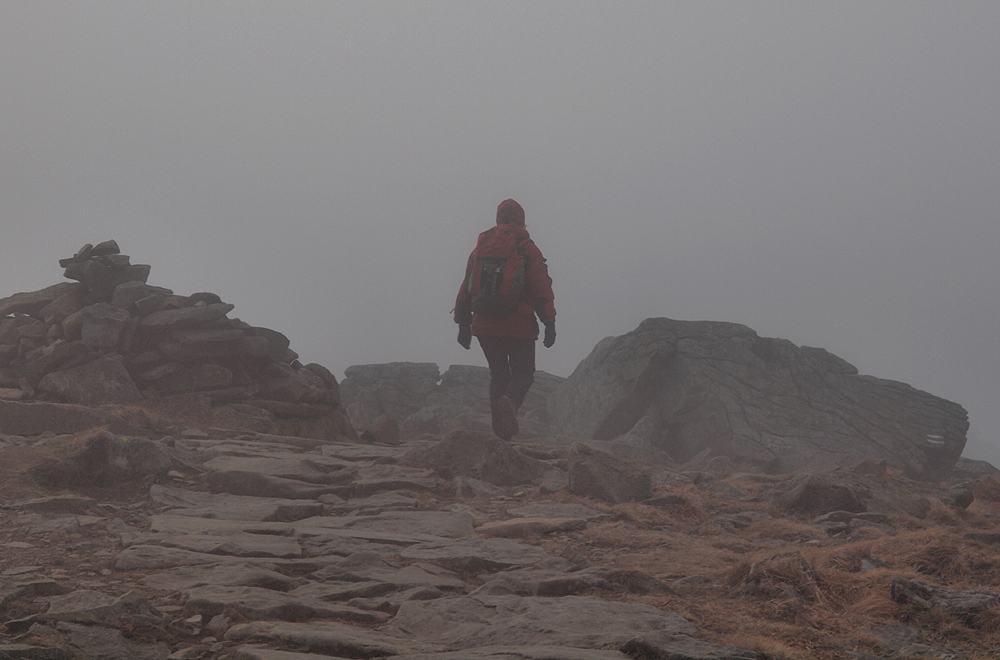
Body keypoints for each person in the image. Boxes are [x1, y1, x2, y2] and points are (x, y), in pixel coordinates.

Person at [454, 199, 556, 441]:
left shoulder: (480, 247)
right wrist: (549, 323)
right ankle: (509, 401)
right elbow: (541, 287)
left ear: (498, 218)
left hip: (484, 324)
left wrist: (463, 325)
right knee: (524, 372)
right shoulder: (526, 247)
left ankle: (501, 435)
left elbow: (466, 287)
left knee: (499, 374)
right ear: (521, 219)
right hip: (518, 324)